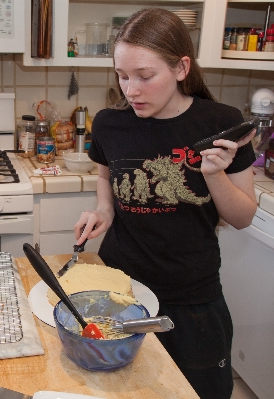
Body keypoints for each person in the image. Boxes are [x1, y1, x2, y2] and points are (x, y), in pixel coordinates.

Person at [73, 8, 257, 399]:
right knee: (122, 390)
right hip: (122, 291)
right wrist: (104, 210)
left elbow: (242, 217)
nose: (131, 90)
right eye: (122, 76)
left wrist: (214, 174)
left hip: (192, 297)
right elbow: (107, 175)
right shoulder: (108, 123)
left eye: (144, 76)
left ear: (181, 67)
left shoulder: (221, 124)